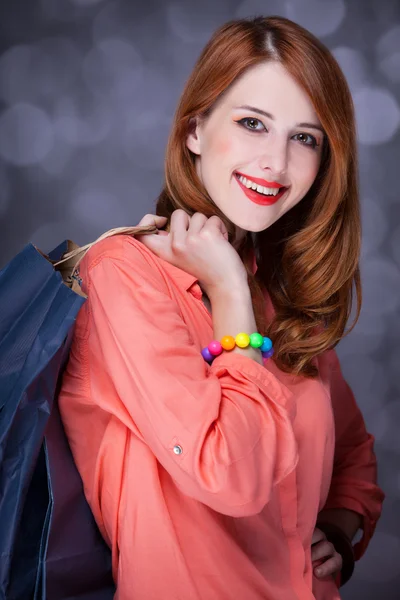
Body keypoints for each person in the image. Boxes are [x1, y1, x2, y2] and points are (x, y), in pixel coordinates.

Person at [58, 15, 385, 600]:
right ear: (195, 131)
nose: (277, 164)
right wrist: (229, 294)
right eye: (253, 123)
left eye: (305, 138)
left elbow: (354, 451)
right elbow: (227, 473)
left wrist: (340, 525)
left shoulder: (281, 294)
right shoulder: (123, 276)